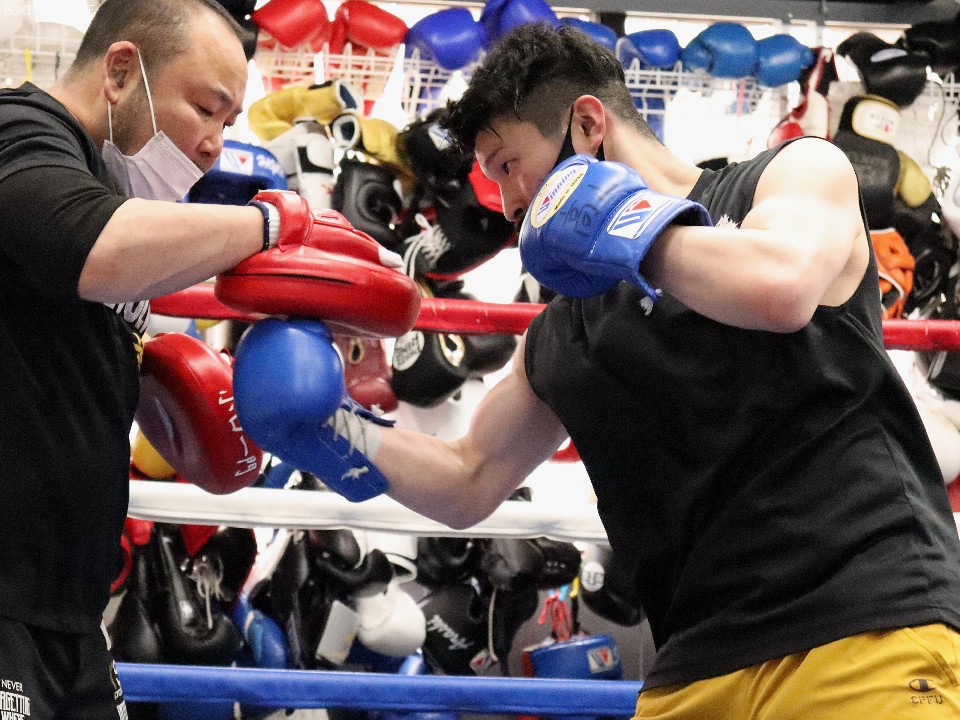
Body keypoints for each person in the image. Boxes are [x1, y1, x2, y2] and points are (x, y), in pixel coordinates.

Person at [233, 21, 960, 719]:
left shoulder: (788, 175)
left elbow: (782, 286)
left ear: (587, 125)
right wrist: (326, 429)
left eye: (508, 166)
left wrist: (624, 227)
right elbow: (468, 476)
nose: (509, 205)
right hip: (697, 664)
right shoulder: (565, 329)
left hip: (866, 625)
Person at [0, 0, 320, 715]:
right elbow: (93, 245)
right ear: (121, 72)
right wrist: (276, 221)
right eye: (206, 109)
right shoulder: (17, 131)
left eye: (229, 123)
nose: (213, 145)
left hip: (68, 613)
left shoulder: (103, 189)